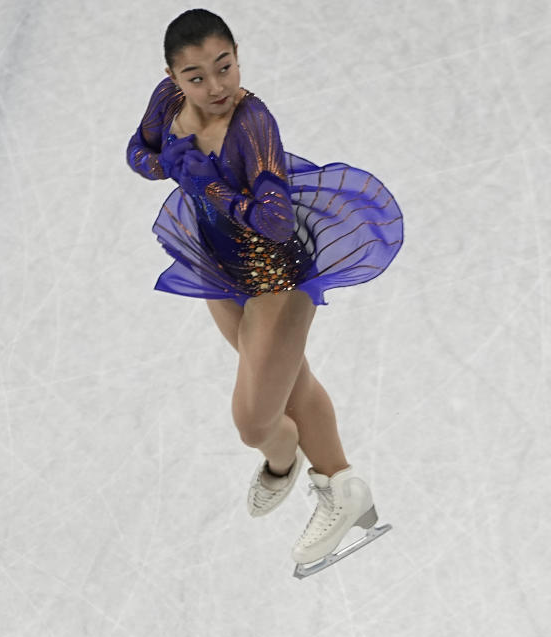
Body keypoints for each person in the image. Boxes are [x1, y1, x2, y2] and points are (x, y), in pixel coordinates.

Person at [125, 8, 403, 572]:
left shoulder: (253, 124)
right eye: (196, 76)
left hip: (275, 278)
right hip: (218, 267)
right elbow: (138, 152)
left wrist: (211, 185)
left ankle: (284, 461)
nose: (216, 86)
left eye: (224, 67)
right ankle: (343, 487)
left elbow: (275, 222)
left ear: (237, 58)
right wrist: (166, 165)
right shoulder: (168, 102)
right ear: (173, 76)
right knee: (290, 382)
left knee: (256, 423)